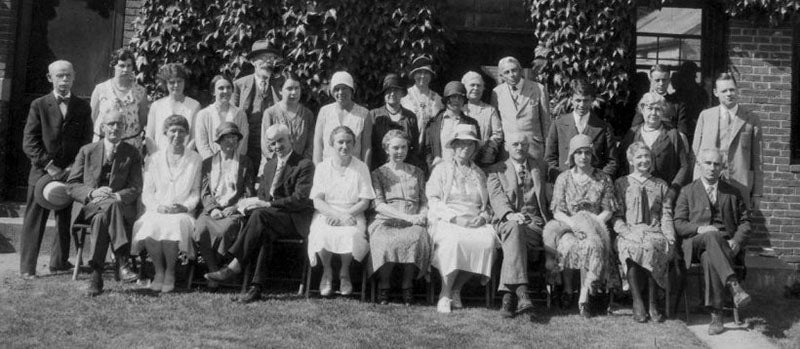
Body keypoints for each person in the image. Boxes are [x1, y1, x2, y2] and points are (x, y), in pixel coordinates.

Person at [204, 124, 315, 303]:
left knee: (260, 216)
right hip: (270, 220)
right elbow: (262, 195)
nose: (277, 146)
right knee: (263, 230)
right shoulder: (270, 165)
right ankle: (256, 288)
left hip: (295, 219)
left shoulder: (304, 165)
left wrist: (268, 204)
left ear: (291, 139)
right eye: (272, 143)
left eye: (281, 140)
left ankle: (233, 266)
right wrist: (248, 204)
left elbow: (299, 200)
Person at [20, 60, 93, 279]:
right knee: (34, 220)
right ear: (50, 78)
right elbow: (29, 142)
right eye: (59, 76)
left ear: (74, 77)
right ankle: (27, 267)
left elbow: (86, 141)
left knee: (64, 219)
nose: (64, 80)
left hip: (70, 172)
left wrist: (73, 168)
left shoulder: (82, 106)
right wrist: (49, 166)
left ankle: (59, 262)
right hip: (42, 173)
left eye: (68, 76)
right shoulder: (39, 105)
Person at [674, 148, 752, 336]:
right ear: (699, 165)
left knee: (710, 257)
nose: (712, 168)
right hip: (696, 242)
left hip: (725, 246)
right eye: (708, 163)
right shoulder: (687, 191)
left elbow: (746, 223)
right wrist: (700, 229)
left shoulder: (733, 192)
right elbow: (679, 224)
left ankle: (716, 316)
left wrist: (737, 240)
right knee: (712, 235)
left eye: (716, 164)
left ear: (722, 167)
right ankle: (734, 286)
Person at [66, 110, 143, 295]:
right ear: (103, 127)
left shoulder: (131, 153)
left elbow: (135, 187)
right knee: (107, 208)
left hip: (115, 205)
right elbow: (71, 185)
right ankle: (122, 261)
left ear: (124, 128)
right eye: (111, 124)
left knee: (102, 218)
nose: (115, 128)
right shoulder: (87, 150)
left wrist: (116, 196)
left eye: (119, 124)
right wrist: (93, 192)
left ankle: (96, 276)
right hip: (89, 205)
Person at [543, 134, 617, 318]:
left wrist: (593, 225)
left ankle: (585, 296)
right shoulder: (563, 178)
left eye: (587, 153)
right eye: (579, 153)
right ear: (572, 156)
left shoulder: (603, 178)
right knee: (568, 246)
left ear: (593, 155)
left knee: (591, 245)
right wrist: (574, 224)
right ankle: (568, 290)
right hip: (569, 225)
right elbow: (557, 211)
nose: (583, 157)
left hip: (595, 224)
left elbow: (608, 209)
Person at [426, 124, 497, 314]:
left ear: (475, 148)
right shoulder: (441, 170)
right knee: (455, 242)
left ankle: (456, 288)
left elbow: (487, 205)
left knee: (486, 242)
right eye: (461, 144)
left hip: (474, 220)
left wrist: (483, 218)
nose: (465, 148)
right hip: (448, 219)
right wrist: (455, 219)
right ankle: (445, 293)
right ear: (454, 146)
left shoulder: (479, 173)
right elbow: (433, 200)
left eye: (470, 144)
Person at [131, 115, 202, 293]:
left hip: (182, 212)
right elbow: (147, 192)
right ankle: (159, 271)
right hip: (158, 208)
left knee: (174, 224)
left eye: (181, 131)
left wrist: (184, 207)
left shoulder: (195, 159)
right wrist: (157, 207)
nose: (177, 135)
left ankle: (170, 272)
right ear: (165, 133)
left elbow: (195, 192)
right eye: (173, 131)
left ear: (187, 134)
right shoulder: (153, 159)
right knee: (149, 223)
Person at [486, 132, 548, 318]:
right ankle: (521, 292)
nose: (519, 148)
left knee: (516, 235)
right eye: (515, 144)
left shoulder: (540, 167)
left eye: (523, 144)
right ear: (506, 146)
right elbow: (496, 197)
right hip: (506, 222)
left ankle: (508, 296)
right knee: (514, 228)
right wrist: (510, 214)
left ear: (528, 147)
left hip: (533, 224)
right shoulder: (495, 170)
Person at [612, 142, 676, 323]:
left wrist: (670, 238)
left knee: (651, 245)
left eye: (647, 156)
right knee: (631, 245)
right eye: (639, 157)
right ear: (631, 159)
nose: (644, 160)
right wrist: (625, 232)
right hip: (629, 231)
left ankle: (652, 303)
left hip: (654, 231)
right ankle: (637, 301)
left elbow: (666, 215)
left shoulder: (661, 184)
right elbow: (616, 215)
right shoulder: (621, 183)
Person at [308, 126, 374, 296]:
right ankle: (327, 271)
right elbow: (317, 200)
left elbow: (365, 201)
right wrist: (335, 215)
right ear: (331, 144)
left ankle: (344, 273)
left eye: (349, 142)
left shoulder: (361, 167)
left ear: (354, 144)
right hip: (327, 212)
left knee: (351, 235)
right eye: (340, 142)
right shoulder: (323, 167)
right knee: (322, 233)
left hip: (353, 212)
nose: (345, 146)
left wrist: (346, 216)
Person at [369, 130, 431, 305]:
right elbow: (379, 205)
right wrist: (406, 217)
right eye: (395, 148)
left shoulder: (417, 172)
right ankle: (384, 284)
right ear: (386, 149)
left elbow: (425, 200)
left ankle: (407, 284)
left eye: (403, 147)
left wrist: (422, 214)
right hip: (386, 219)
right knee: (385, 240)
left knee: (417, 237)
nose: (400, 152)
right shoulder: (377, 173)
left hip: (414, 219)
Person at [192, 122, 254, 287]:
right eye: (226, 138)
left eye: (234, 138)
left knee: (225, 230)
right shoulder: (207, 163)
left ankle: (219, 270)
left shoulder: (245, 162)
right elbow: (204, 192)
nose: (230, 142)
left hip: (233, 210)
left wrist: (234, 207)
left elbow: (248, 193)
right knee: (200, 229)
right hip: (211, 209)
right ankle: (214, 270)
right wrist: (212, 209)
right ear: (218, 141)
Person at [692, 73, 762, 208]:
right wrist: (696, 186)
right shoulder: (705, 116)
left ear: (737, 90)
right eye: (724, 91)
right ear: (715, 93)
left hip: (739, 185)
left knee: (736, 225)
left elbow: (758, 159)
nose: (729, 94)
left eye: (732, 89)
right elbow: (696, 155)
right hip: (708, 184)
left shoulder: (751, 119)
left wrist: (757, 193)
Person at [618, 92, 691, 203]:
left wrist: (673, 190)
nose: (654, 113)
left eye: (658, 109)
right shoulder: (633, 133)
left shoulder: (672, 134)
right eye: (650, 108)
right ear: (642, 109)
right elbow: (622, 161)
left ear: (663, 112)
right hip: (635, 196)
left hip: (664, 196)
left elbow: (684, 166)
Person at [544, 80, 617, 179]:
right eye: (578, 100)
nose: (582, 105)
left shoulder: (603, 127)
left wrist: (600, 180)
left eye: (586, 100)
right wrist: (559, 179)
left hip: (593, 184)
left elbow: (612, 161)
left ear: (592, 100)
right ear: (571, 100)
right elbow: (550, 159)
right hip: (565, 183)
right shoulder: (558, 124)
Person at [232, 39, 285, 173]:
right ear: (253, 61)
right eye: (262, 58)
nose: (267, 62)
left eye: (270, 58)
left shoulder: (281, 83)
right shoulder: (239, 85)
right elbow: (233, 117)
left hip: (275, 143)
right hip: (247, 143)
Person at [491, 56, 551, 159]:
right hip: (509, 151)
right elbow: (496, 124)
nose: (512, 75)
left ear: (521, 70)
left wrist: (548, 152)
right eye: (507, 72)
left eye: (514, 70)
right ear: (501, 76)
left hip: (534, 149)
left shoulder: (538, 89)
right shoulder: (497, 92)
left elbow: (546, 123)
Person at [90, 48, 149, 151]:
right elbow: (91, 118)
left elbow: (142, 120)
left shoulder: (140, 92)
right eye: (121, 66)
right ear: (114, 66)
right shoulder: (101, 89)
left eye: (129, 66)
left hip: (130, 145)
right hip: (103, 144)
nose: (125, 69)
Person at [313, 71, 372, 165]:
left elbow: (366, 148)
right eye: (336, 89)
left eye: (344, 88)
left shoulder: (364, 114)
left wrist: (365, 172)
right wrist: (318, 171)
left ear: (351, 90)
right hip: (328, 170)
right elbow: (318, 145)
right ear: (332, 92)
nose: (340, 92)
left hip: (355, 170)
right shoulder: (324, 112)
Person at [422, 81, 480, 170]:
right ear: (446, 99)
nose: (456, 100)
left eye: (460, 97)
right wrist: (433, 168)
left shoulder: (471, 123)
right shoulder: (433, 123)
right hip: (439, 172)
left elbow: (475, 149)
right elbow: (427, 148)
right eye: (453, 97)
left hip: (463, 171)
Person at [369, 74, 422, 170]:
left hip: (405, 169)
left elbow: (415, 147)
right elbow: (370, 146)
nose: (392, 94)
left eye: (396, 90)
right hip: (379, 169)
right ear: (384, 94)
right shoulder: (374, 115)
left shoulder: (410, 117)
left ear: (402, 93)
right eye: (389, 90)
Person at [145, 63, 201, 153]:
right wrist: (157, 157)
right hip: (158, 157)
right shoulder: (156, 106)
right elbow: (149, 136)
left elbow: (194, 138)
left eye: (179, 81)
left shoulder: (194, 106)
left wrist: (184, 158)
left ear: (184, 82)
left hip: (184, 158)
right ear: (165, 83)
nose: (176, 85)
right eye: (172, 82)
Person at [261, 71, 315, 161]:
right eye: (289, 89)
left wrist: (301, 166)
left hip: (300, 168)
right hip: (274, 166)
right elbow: (266, 146)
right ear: (280, 90)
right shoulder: (270, 113)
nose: (294, 92)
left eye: (297, 88)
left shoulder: (307, 114)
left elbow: (311, 146)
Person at [195, 75, 249, 159]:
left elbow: (243, 142)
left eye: (228, 87)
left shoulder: (240, 114)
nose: (225, 91)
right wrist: (213, 163)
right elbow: (202, 144)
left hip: (235, 163)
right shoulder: (203, 114)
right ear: (213, 92)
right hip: (211, 164)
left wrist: (234, 161)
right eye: (221, 88)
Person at [630, 65, 688, 136]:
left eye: (664, 80)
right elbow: (635, 128)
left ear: (669, 80)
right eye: (657, 80)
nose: (661, 84)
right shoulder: (644, 101)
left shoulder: (677, 104)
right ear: (651, 80)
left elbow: (682, 132)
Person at [462, 71, 503, 167]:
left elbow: (498, 134)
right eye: (472, 85)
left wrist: (488, 150)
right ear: (464, 87)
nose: (475, 88)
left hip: (484, 160)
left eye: (479, 86)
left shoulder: (490, 110)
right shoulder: (459, 109)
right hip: (462, 158)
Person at [401, 55, 443, 146]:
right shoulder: (404, 97)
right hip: (408, 146)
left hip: (431, 148)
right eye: (419, 72)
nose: (423, 76)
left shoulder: (438, 99)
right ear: (413, 74)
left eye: (426, 72)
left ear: (431, 75)